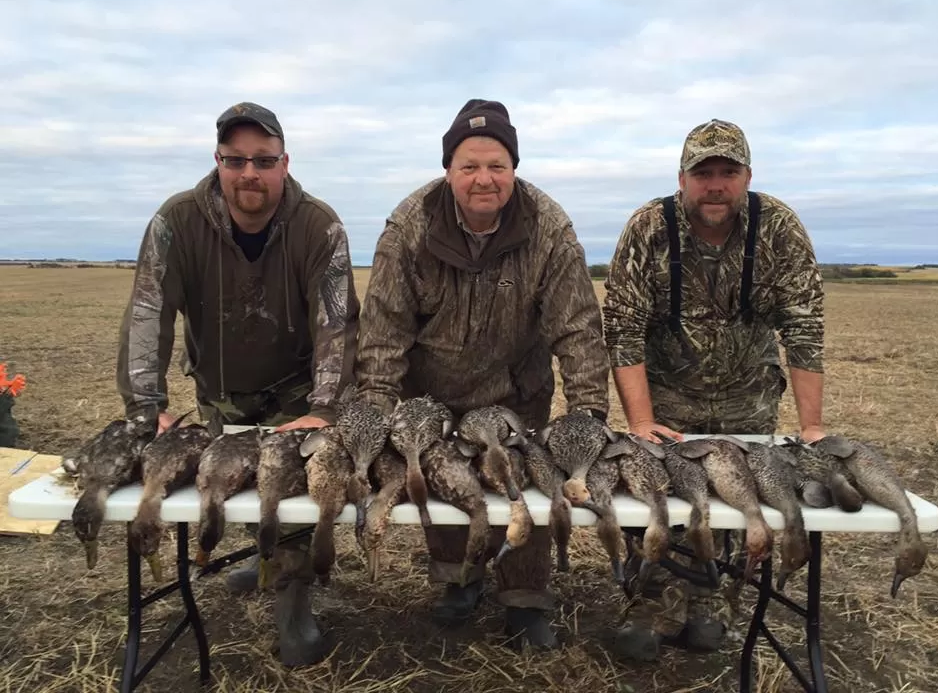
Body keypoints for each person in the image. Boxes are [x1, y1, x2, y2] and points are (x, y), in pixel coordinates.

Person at [354, 99, 610, 650]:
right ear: (449, 170)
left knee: (524, 486)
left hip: (518, 390)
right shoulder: (409, 226)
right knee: (446, 489)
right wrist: (376, 416)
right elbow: (383, 330)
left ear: (513, 168)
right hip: (433, 394)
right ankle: (459, 582)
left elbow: (579, 329)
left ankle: (525, 599)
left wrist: (588, 417)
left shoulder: (549, 229)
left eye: (496, 165)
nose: (483, 179)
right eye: (469, 166)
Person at [116, 101, 360, 666]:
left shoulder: (320, 226)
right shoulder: (175, 223)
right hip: (221, 388)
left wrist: (324, 407)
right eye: (236, 159)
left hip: (298, 387)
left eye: (263, 159)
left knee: (292, 487)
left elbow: (337, 323)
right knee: (235, 480)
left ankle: (294, 600)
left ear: (284, 163)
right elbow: (148, 312)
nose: (249, 171)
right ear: (218, 161)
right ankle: (264, 554)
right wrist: (146, 407)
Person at [602, 118, 826, 660]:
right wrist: (638, 419)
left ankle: (713, 598)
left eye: (729, 172)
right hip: (668, 399)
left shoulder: (778, 228)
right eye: (704, 173)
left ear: (748, 175)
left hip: (748, 398)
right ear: (682, 178)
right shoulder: (648, 227)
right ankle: (652, 599)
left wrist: (812, 426)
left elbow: (804, 325)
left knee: (734, 504)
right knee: (660, 498)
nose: (716, 184)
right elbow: (623, 326)